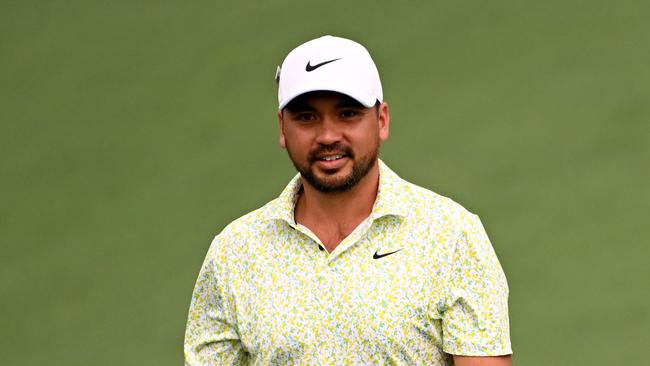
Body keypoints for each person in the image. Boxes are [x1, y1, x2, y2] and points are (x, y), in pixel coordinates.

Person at [184, 35, 512, 366]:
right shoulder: (235, 252)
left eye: (348, 113)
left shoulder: (450, 235)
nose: (327, 136)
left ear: (381, 120)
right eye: (306, 117)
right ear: (282, 127)